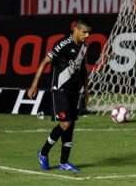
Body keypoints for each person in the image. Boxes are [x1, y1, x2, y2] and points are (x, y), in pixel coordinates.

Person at [28, 18, 92, 172]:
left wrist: (86, 91)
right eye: (84, 32)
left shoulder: (84, 47)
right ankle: (43, 153)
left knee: (70, 126)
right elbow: (44, 62)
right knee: (65, 123)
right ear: (76, 30)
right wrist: (34, 84)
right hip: (60, 90)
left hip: (74, 91)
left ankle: (64, 162)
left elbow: (83, 70)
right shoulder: (63, 44)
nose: (87, 35)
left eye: (89, 32)